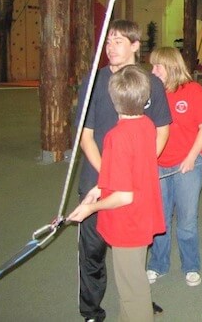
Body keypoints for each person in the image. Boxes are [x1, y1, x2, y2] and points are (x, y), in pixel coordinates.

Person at [75, 20, 171, 322]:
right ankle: (92, 309)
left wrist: (136, 167)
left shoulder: (150, 83)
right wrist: (110, 175)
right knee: (93, 250)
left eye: (118, 41)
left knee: (131, 249)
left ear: (134, 45)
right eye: (108, 41)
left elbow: (162, 128)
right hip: (97, 176)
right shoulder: (94, 81)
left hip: (132, 184)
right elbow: (85, 136)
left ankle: (136, 301)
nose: (111, 46)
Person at [147, 47, 202, 287]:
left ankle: (191, 265)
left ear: (171, 67)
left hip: (188, 164)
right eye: (151, 66)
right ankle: (157, 264)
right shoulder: (151, 92)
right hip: (158, 165)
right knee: (160, 219)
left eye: (157, 66)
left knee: (186, 219)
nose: (152, 71)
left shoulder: (193, 90)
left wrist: (191, 157)